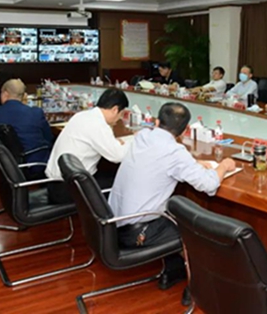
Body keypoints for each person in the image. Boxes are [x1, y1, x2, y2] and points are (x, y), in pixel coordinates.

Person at [109, 102, 236, 292]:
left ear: (156, 122)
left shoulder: (143, 136)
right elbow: (209, 184)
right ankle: (199, 287)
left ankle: (174, 270)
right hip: (139, 232)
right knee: (199, 229)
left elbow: (161, 159)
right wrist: (224, 166)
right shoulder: (174, 152)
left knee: (174, 213)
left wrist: (193, 162)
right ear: (185, 130)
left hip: (113, 224)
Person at [45, 88, 131, 204]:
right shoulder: (98, 125)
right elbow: (118, 156)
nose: (120, 119)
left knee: (109, 173)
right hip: (68, 190)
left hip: (55, 184)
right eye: (121, 114)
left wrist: (114, 143)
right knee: (122, 181)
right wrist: (134, 141)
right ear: (115, 109)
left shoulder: (82, 116)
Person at [0, 79, 53, 176]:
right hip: (34, 166)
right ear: (24, 96)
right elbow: (49, 138)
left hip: (0, 166)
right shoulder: (36, 113)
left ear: (5, 94)